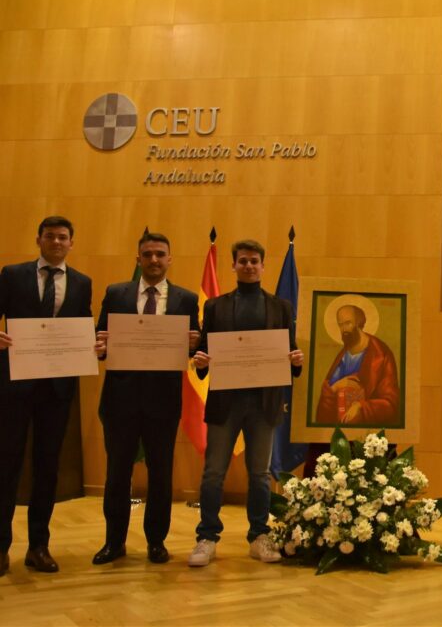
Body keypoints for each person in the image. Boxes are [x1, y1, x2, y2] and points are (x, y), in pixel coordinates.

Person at [187, 239, 304, 567]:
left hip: (263, 404)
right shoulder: (215, 307)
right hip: (225, 402)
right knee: (213, 473)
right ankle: (207, 537)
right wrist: (200, 362)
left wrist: (296, 360)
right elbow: (206, 355)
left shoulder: (281, 306)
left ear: (263, 267)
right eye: (243, 261)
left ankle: (259, 536)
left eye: (254, 261)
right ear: (234, 266)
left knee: (259, 474)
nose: (249, 266)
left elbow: (289, 351)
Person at [91, 232, 200, 565]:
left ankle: (156, 541)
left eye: (160, 254)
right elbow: (100, 340)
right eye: (148, 254)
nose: (154, 260)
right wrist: (101, 345)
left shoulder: (186, 299)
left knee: (161, 474)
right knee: (117, 474)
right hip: (119, 400)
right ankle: (114, 542)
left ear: (170, 259)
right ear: (138, 258)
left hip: (163, 402)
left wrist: (194, 344)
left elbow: (194, 349)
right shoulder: (116, 293)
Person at [0, 216, 93, 575]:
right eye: (50, 236)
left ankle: (38, 546)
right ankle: (1, 547)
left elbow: (81, 326)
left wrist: (92, 344)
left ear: (72, 243)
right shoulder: (12, 275)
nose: (56, 242)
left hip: (56, 390)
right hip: (13, 387)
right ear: (38, 239)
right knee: (6, 466)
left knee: (47, 467)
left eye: (63, 237)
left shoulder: (82, 282)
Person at [315, 304, 400, 426]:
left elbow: (391, 404)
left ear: (359, 322)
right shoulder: (343, 355)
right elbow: (327, 402)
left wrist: (361, 406)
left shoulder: (380, 354)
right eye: (340, 324)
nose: (344, 329)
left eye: (348, 323)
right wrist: (335, 388)